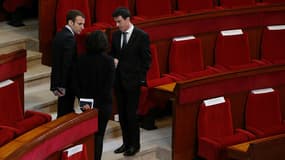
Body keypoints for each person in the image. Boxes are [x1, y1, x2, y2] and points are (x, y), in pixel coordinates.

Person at [111, 7, 152, 156]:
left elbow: (146, 60)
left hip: (133, 83)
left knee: (131, 115)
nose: (117, 25)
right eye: (115, 22)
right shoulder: (115, 36)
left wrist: (140, 80)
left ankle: (135, 145)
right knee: (122, 115)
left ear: (128, 19)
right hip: (119, 82)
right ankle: (126, 143)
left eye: (119, 21)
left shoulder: (141, 36)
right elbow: (113, 55)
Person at [72, 31, 115, 160]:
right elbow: (108, 86)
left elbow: (75, 84)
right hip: (103, 105)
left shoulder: (80, 59)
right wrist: (97, 103)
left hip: (86, 104)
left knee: (87, 135)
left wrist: (84, 101)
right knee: (99, 135)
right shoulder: (109, 61)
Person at [50, 10, 85, 118]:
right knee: (65, 115)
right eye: (80, 24)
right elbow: (66, 64)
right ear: (70, 22)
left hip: (60, 82)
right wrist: (62, 86)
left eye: (83, 24)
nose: (82, 27)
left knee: (63, 112)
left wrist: (55, 85)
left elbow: (56, 63)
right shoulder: (69, 38)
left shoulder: (60, 34)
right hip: (67, 84)